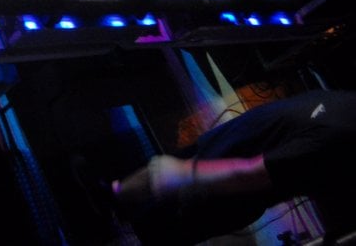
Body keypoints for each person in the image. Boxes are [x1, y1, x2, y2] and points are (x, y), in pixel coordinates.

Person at [73, 88, 356, 245]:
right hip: (219, 149)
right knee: (151, 180)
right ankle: (110, 198)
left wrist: (186, 174)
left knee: (154, 229)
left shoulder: (341, 133)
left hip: (220, 189)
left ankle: (109, 233)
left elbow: (252, 174)